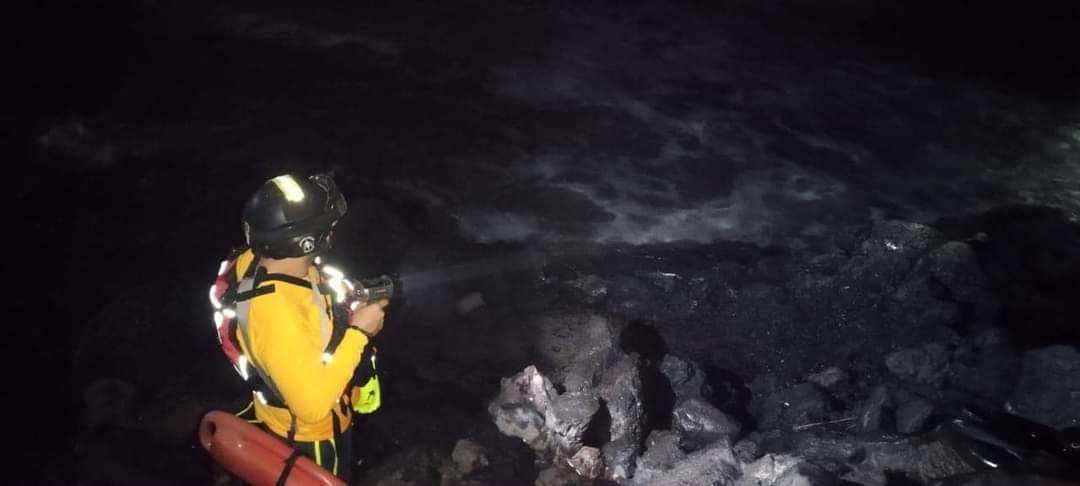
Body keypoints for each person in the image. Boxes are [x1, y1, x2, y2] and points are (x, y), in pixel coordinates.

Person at [208, 172, 386, 483]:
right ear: (306, 241)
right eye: (327, 227)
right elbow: (312, 406)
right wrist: (360, 332)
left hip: (294, 409)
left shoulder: (266, 259)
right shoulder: (274, 312)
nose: (332, 233)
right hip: (311, 439)